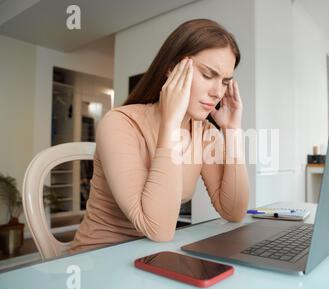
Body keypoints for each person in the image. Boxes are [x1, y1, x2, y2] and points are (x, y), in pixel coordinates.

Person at [70, 19, 250, 253]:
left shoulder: (204, 133)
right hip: (98, 258)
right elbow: (158, 229)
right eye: (208, 75)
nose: (217, 92)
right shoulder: (120, 123)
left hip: (151, 255)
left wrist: (232, 131)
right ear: (172, 68)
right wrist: (171, 124)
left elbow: (233, 212)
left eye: (225, 82)